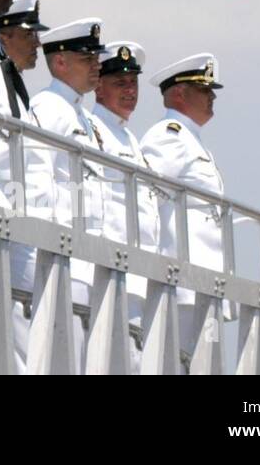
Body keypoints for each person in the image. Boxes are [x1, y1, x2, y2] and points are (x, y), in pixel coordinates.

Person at [27, 19, 108, 370]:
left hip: (87, 258)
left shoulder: (83, 116)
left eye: (95, 58)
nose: (96, 65)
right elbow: (36, 179)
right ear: (59, 62)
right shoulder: (48, 107)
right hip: (62, 258)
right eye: (86, 57)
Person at [140, 53, 230, 358]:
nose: (212, 96)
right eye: (204, 89)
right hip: (183, 284)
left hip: (204, 282)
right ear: (179, 94)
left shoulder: (193, 140)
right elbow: (144, 194)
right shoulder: (169, 137)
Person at [91, 41, 166, 372]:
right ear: (98, 86)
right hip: (110, 271)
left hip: (138, 273)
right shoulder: (94, 130)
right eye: (120, 83)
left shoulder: (130, 140)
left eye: (133, 82)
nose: (130, 90)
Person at [0, 0, 48, 117]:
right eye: (29, 34)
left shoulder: (14, 85)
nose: (38, 44)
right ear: (3, 40)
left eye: (37, 35)